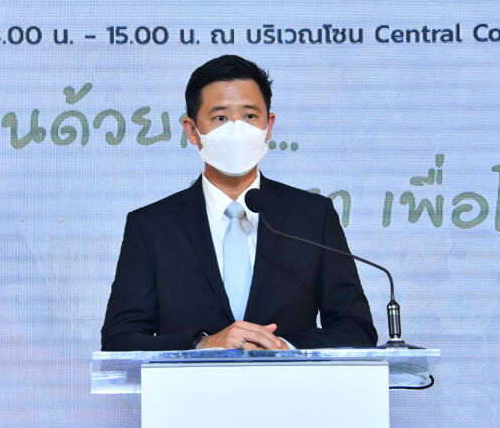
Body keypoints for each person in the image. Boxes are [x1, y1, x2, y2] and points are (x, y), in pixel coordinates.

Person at [100, 55, 377, 351]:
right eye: (220, 118)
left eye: (249, 116)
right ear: (192, 131)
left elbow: (356, 329)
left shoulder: (312, 216)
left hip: (289, 381)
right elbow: (119, 339)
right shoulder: (152, 226)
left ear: (269, 126)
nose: (236, 130)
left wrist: (282, 346)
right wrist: (201, 344)